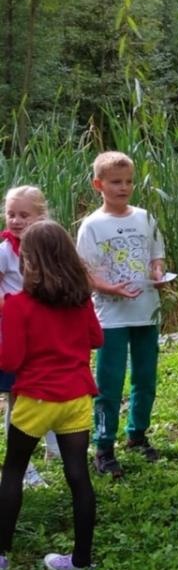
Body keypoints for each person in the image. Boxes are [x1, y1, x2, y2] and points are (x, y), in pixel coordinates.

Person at [0, 221, 102, 570]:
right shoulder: (81, 299)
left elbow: (10, 361)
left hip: (35, 400)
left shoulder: (16, 305)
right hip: (76, 397)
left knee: (12, 471)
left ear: (28, 261)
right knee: (78, 476)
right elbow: (97, 339)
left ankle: (1, 555)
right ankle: (81, 561)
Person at [76, 152, 167, 478]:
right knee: (109, 383)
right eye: (116, 182)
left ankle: (137, 434)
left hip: (145, 311)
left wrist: (158, 272)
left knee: (146, 377)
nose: (124, 187)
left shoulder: (145, 217)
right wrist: (110, 289)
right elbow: (85, 275)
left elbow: (157, 257)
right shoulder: (92, 225)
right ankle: (103, 446)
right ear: (98, 184)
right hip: (111, 317)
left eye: (128, 181)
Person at [0, 185, 59, 485]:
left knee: (43, 390)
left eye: (24, 214)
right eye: (11, 214)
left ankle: (53, 448)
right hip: (11, 337)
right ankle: (22, 468)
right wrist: (16, 307)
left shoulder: (48, 252)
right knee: (17, 399)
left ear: (41, 217)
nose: (16, 220)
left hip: (41, 337)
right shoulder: (4, 251)